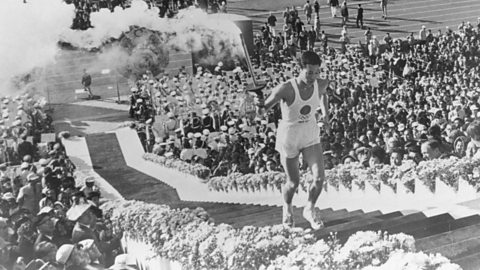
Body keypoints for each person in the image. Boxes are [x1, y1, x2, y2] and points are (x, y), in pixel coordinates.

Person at [255, 51, 330, 230]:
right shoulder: (286, 88)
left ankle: (309, 208)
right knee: (293, 182)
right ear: (300, 69)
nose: (313, 77)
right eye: (309, 72)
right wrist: (258, 105)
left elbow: (323, 94)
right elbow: (262, 112)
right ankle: (287, 207)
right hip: (289, 136)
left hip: (310, 133)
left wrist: (325, 115)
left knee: (319, 178)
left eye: (316, 72)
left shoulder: (321, 83)